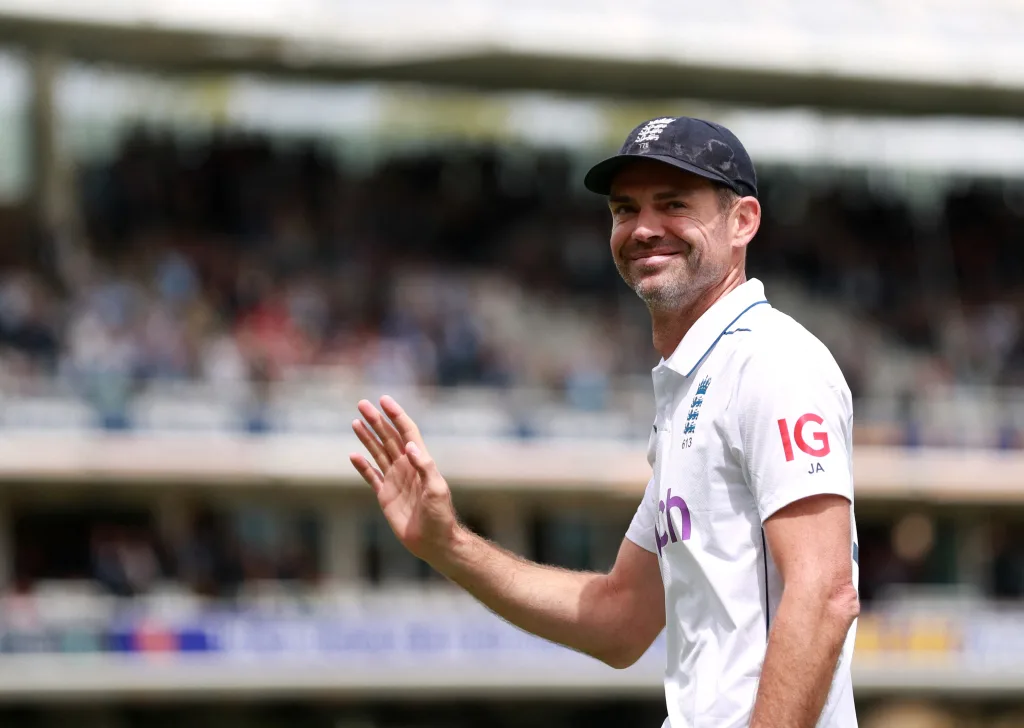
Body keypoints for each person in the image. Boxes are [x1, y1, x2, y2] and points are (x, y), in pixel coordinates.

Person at [349, 116, 860, 728]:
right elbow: (619, 620)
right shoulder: (697, 380)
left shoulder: (771, 361)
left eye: (674, 204)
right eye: (625, 209)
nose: (644, 229)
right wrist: (448, 544)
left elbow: (825, 594)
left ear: (742, 221)